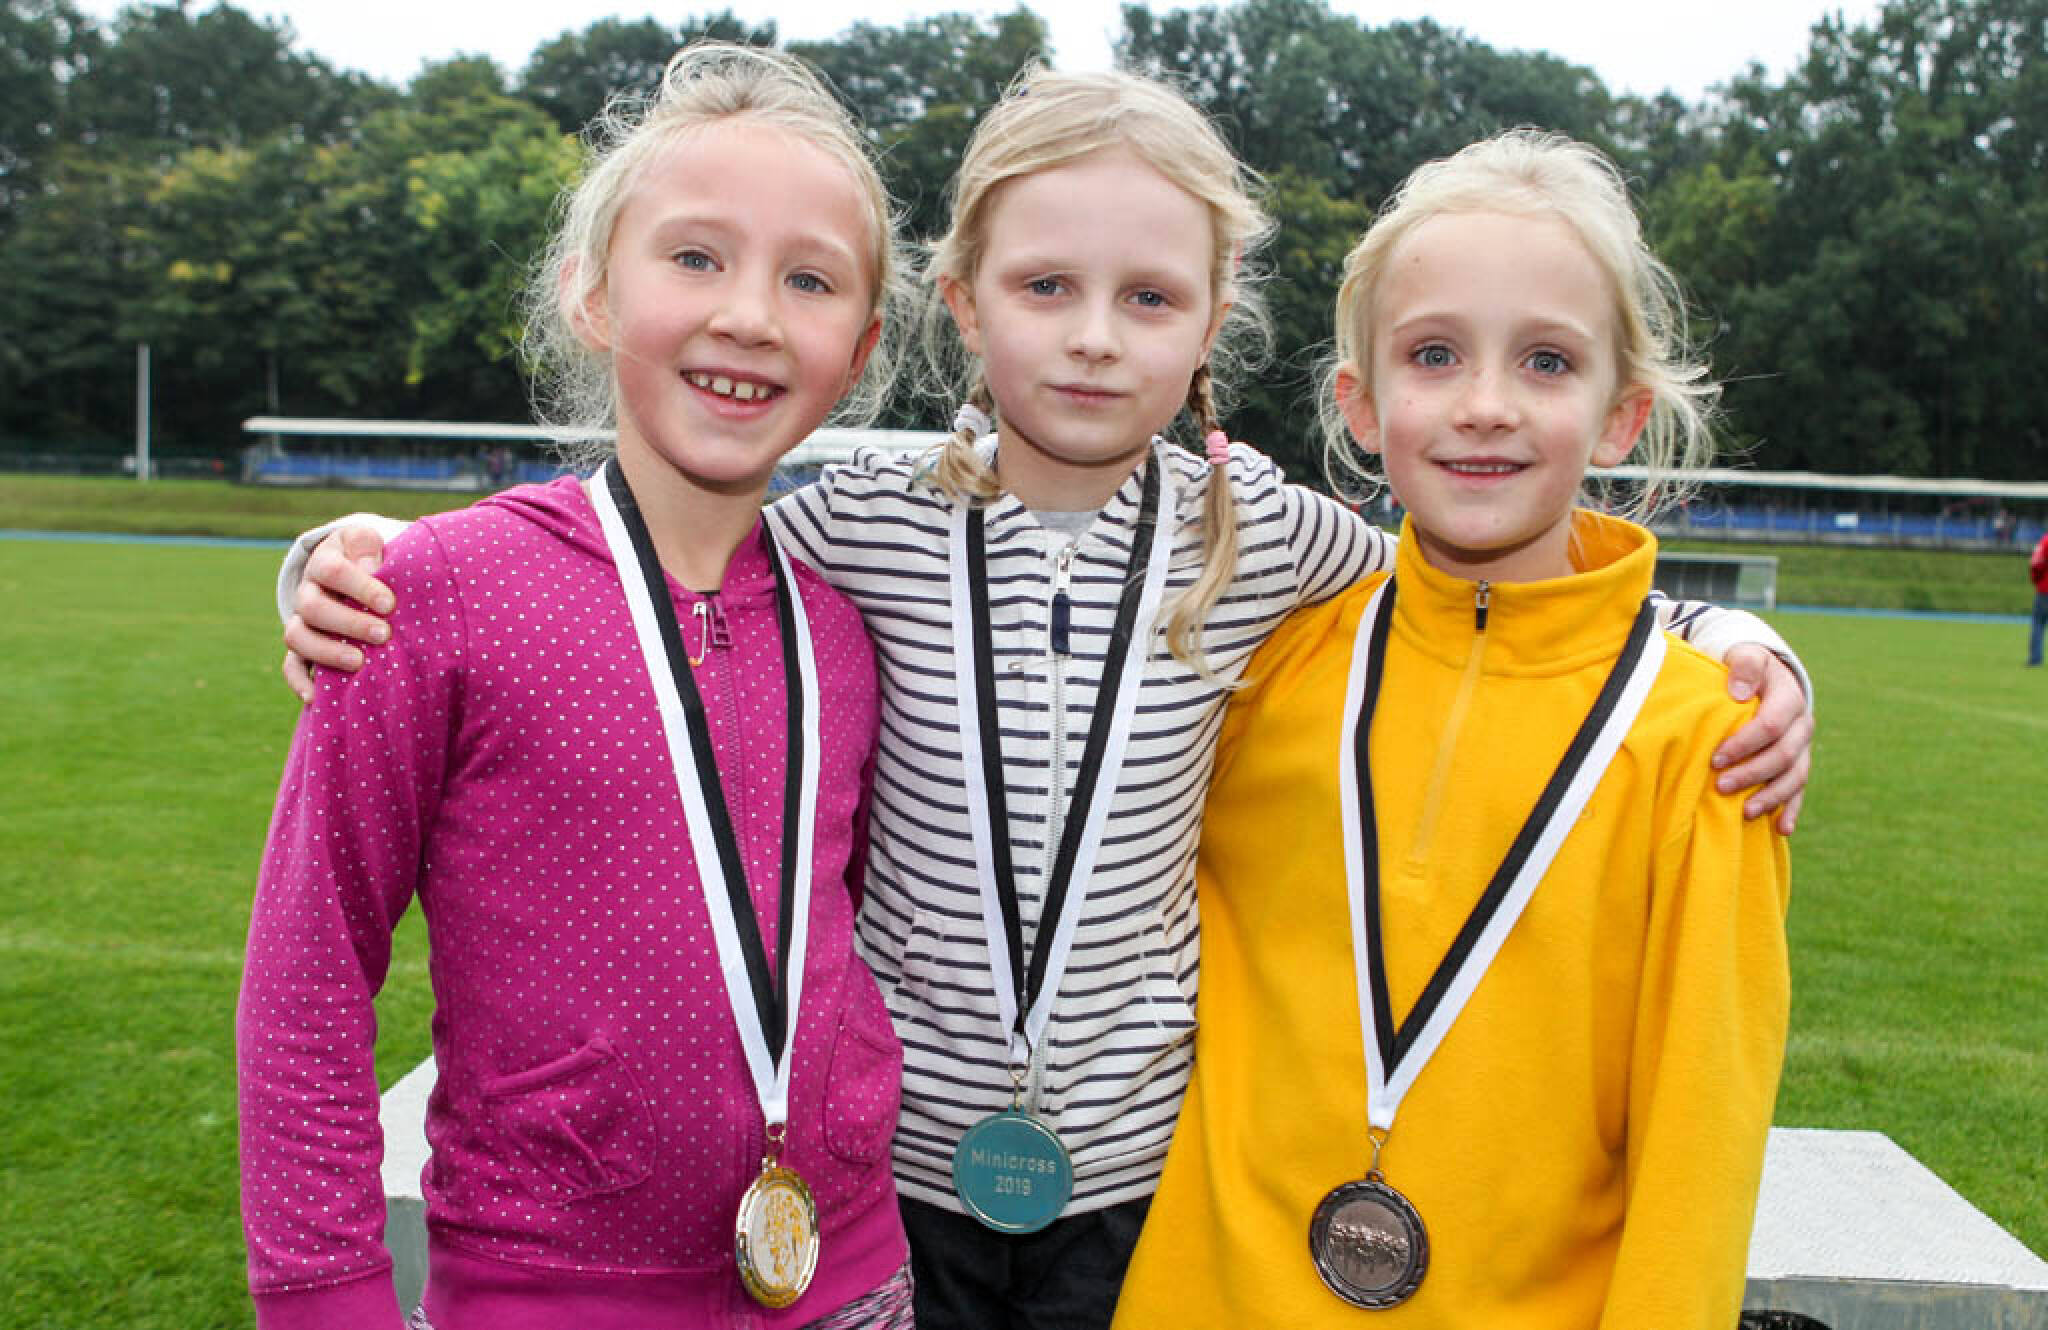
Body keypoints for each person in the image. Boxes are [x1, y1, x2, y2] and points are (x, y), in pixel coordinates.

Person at [271, 70, 1815, 1329]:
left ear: (1211, 321)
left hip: (1137, 1187)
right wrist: (354, 560)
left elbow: (1489, 600)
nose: (1091, 334)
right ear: (959, 300)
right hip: (892, 1188)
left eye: (1149, 296)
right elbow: (652, 577)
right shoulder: (855, 527)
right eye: (1046, 286)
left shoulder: (1270, 540)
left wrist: (1732, 642)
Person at [236, 45, 916, 1330]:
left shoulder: (845, 628)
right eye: (695, 257)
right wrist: (324, 1295)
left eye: (809, 279)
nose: (751, 316)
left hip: (851, 1279)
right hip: (543, 1292)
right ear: (592, 293)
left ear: (861, 346)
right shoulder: (431, 593)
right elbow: (307, 973)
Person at [1113, 130, 1792, 1328]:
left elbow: (1700, 1151)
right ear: (1361, 404)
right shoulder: (1267, 665)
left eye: (1545, 361)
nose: (1484, 406)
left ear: (1621, 414)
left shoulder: (1703, 743)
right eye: (1433, 355)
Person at [2029, 530, 2047, 665]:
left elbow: (2036, 563)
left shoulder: (2045, 541)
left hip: (2045, 590)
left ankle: (2035, 658)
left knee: (2038, 623)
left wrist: (2036, 580)